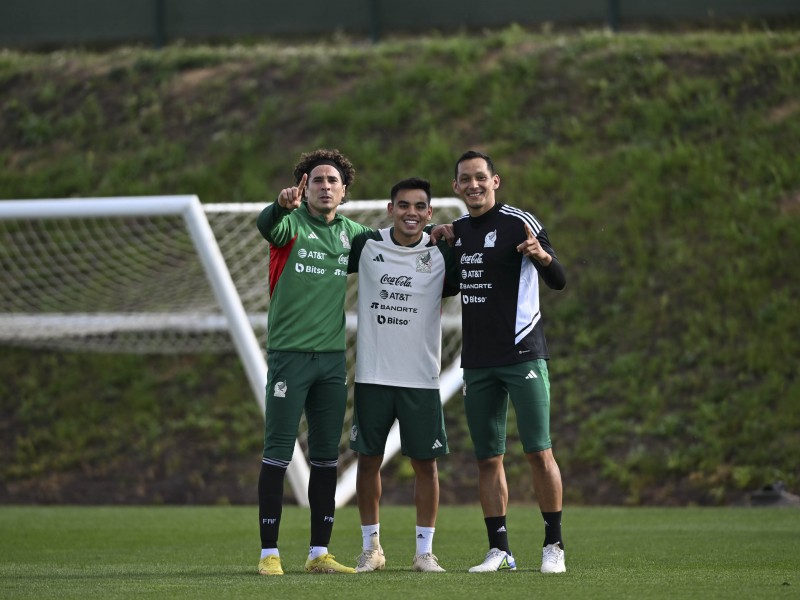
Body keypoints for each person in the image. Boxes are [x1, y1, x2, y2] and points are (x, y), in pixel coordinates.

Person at [449, 150, 568, 574]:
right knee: (488, 459)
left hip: (523, 354)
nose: (474, 185)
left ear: (495, 181)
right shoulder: (458, 231)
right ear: (456, 187)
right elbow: (448, 284)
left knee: (539, 451)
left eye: (481, 177)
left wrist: (542, 255)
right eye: (466, 179)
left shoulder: (520, 221)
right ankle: (500, 550)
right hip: (478, 361)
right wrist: (436, 239)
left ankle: (554, 545)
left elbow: (559, 280)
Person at [255, 148, 371, 576]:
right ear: (303, 187)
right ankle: (269, 554)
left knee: (326, 458)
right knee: (277, 455)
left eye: (333, 181)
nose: (325, 187)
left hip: (331, 362)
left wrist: (436, 232)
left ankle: (319, 553)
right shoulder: (288, 224)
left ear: (344, 191)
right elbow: (266, 224)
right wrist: (278, 205)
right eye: (317, 180)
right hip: (289, 358)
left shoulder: (352, 233)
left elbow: (393, 245)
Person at [347, 177, 458, 574]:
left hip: (421, 378)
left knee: (426, 465)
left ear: (429, 213)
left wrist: (453, 232)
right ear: (391, 208)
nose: (411, 212)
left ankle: (424, 553)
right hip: (373, 376)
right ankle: (371, 548)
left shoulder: (443, 248)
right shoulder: (364, 245)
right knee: (367, 461)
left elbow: (480, 253)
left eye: (419, 206)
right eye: (403, 205)